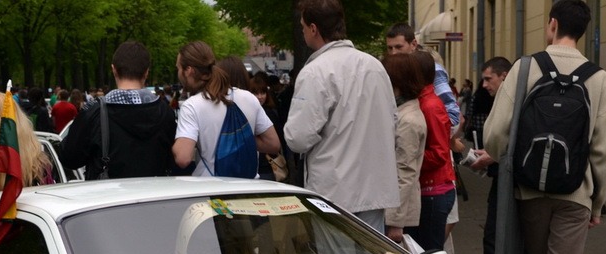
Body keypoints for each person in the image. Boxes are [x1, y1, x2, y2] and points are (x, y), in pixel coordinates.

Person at [482, 0, 606, 254]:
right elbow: (602, 151)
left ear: (553, 24)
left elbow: (495, 134)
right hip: (575, 196)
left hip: (531, 191)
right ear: (582, 31)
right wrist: (596, 203)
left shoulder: (524, 68)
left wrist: (506, 160)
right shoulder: (599, 78)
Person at [285, 0, 398, 230]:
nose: (303, 31)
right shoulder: (375, 66)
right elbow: (393, 121)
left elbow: (298, 138)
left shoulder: (315, 72)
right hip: (374, 189)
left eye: (303, 26)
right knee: (369, 252)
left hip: (333, 193)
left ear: (314, 29)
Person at [60, 41, 178, 179]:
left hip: (108, 192)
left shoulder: (95, 112)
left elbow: (69, 158)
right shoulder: (166, 113)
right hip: (155, 191)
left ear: (114, 69)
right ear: (146, 72)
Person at [172, 40, 279, 177]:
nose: (178, 73)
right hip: (248, 185)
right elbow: (273, 144)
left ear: (188, 71)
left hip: (212, 187)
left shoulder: (192, 106)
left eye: (178, 68)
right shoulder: (248, 98)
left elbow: (183, 158)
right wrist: (239, 138)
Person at [467, 57, 513, 254]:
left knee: (495, 237)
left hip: (511, 181)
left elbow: (515, 141)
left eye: (488, 79)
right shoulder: (504, 99)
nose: (484, 85)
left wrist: (493, 155)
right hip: (505, 178)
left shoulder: (512, 100)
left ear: (504, 76)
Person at [405, 50, 455, 253]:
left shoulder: (430, 105)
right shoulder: (423, 101)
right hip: (428, 191)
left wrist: (408, 158)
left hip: (433, 192)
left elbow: (439, 153)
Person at [381, 52, 426, 245]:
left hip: (397, 215)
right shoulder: (400, 111)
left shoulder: (408, 120)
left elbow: (405, 171)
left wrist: (395, 222)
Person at [384, 23, 460, 127]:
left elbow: (453, 114)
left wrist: (435, 132)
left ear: (413, 44)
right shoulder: (393, 71)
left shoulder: (431, 68)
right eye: (390, 48)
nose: (394, 53)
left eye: (399, 47)